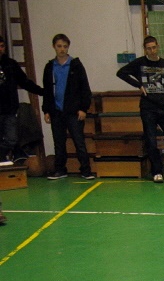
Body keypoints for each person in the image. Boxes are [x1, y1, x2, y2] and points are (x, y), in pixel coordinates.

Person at [117, 36, 164, 183]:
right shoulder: (140, 62)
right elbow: (121, 73)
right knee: (151, 141)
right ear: (145, 49)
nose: (152, 51)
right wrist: (138, 85)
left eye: (154, 47)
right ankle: (157, 172)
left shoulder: (163, 63)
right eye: (148, 48)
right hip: (148, 108)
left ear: (158, 46)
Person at [42, 33, 94, 180]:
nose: (62, 49)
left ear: (68, 47)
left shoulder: (76, 65)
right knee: (59, 142)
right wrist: (46, 110)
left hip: (74, 111)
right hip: (56, 111)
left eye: (65, 46)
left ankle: (86, 170)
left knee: (79, 141)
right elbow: (47, 90)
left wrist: (83, 108)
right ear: (54, 47)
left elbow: (85, 88)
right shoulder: (49, 67)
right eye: (59, 46)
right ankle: (60, 169)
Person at [0, 35, 45, 164]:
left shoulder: (11, 65)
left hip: (9, 110)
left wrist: (42, 91)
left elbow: (25, 82)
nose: (0, 49)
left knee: (12, 139)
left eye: (2, 46)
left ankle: (2, 155)